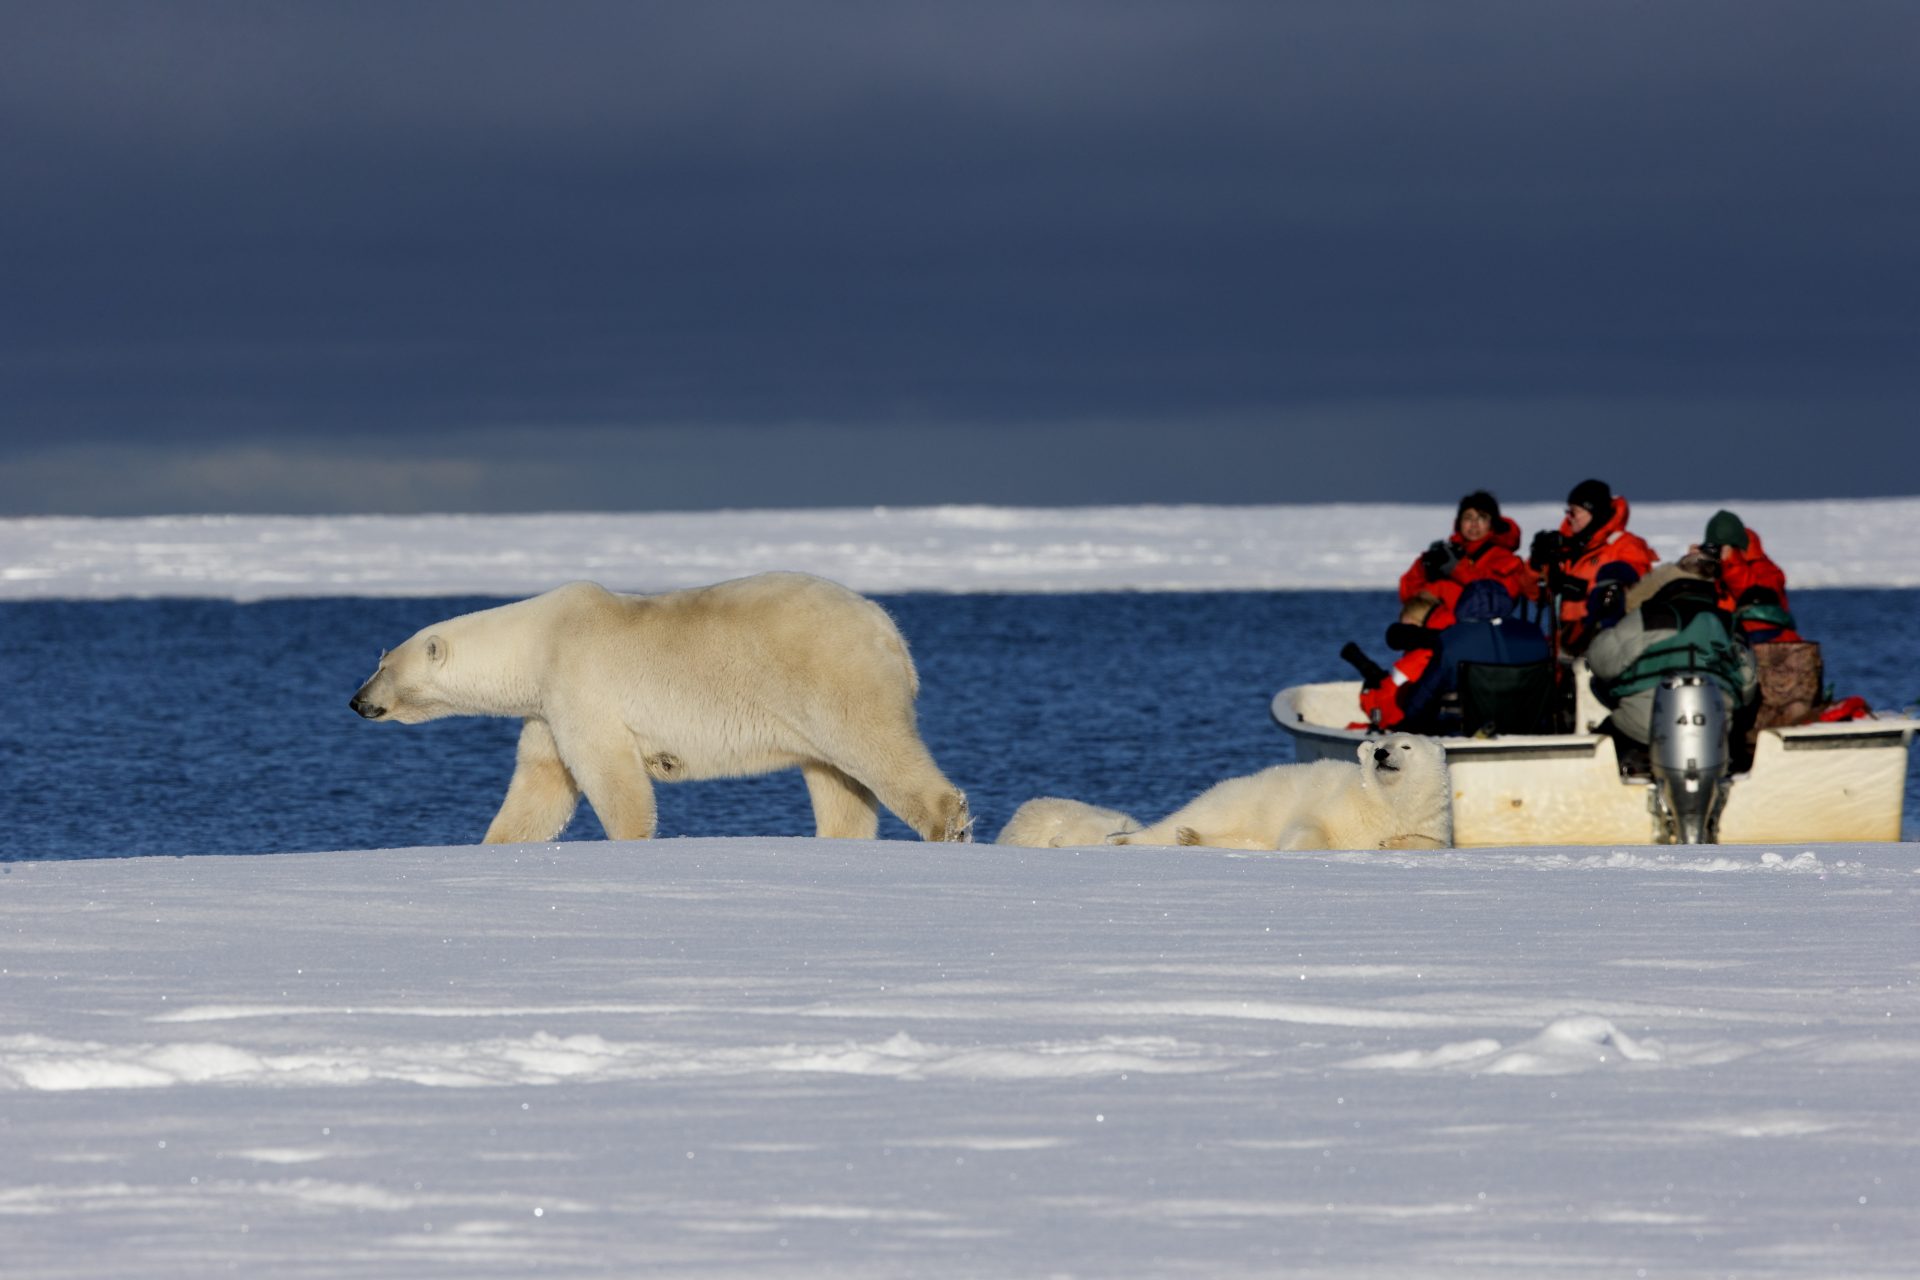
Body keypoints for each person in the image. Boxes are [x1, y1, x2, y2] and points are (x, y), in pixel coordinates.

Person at [1585, 552, 1756, 748]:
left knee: (1600, 744)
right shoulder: (1730, 625)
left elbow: (1601, 662)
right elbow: (1748, 687)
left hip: (1643, 726)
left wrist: (1608, 623)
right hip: (1714, 728)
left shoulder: (1647, 617)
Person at [1397, 579, 1552, 733]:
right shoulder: (1534, 634)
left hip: (1466, 733)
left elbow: (1421, 699)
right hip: (1527, 730)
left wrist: (1407, 719)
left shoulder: (1451, 639)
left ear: (1465, 604)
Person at [1528, 478, 1658, 654]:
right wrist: (1536, 564)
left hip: (1605, 643)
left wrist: (1582, 588)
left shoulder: (1625, 547)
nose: (1569, 518)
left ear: (1594, 512)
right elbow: (1532, 592)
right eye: (1568, 512)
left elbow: (1636, 591)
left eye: (1574, 512)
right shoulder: (1566, 548)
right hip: (1562, 644)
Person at [1399, 490, 1538, 604]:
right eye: (1468, 518)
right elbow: (1407, 595)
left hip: (1483, 630)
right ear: (1459, 523)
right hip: (1442, 630)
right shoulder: (1448, 554)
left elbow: (1499, 597)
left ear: (1493, 524)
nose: (1474, 524)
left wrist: (1457, 570)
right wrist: (1423, 567)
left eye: (1482, 518)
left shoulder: (1507, 561)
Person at [1351, 592, 1455, 730]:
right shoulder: (1451, 649)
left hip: (1414, 730)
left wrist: (1369, 692)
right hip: (1445, 723)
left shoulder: (1411, 663)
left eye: (1406, 626)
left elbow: (1386, 716)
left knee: (1355, 728)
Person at [1691, 509, 1794, 642]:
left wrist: (1730, 563)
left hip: (1768, 648)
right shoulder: (1712, 571)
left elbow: (1756, 596)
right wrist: (1690, 568)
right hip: (1722, 646)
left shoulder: (1766, 569)